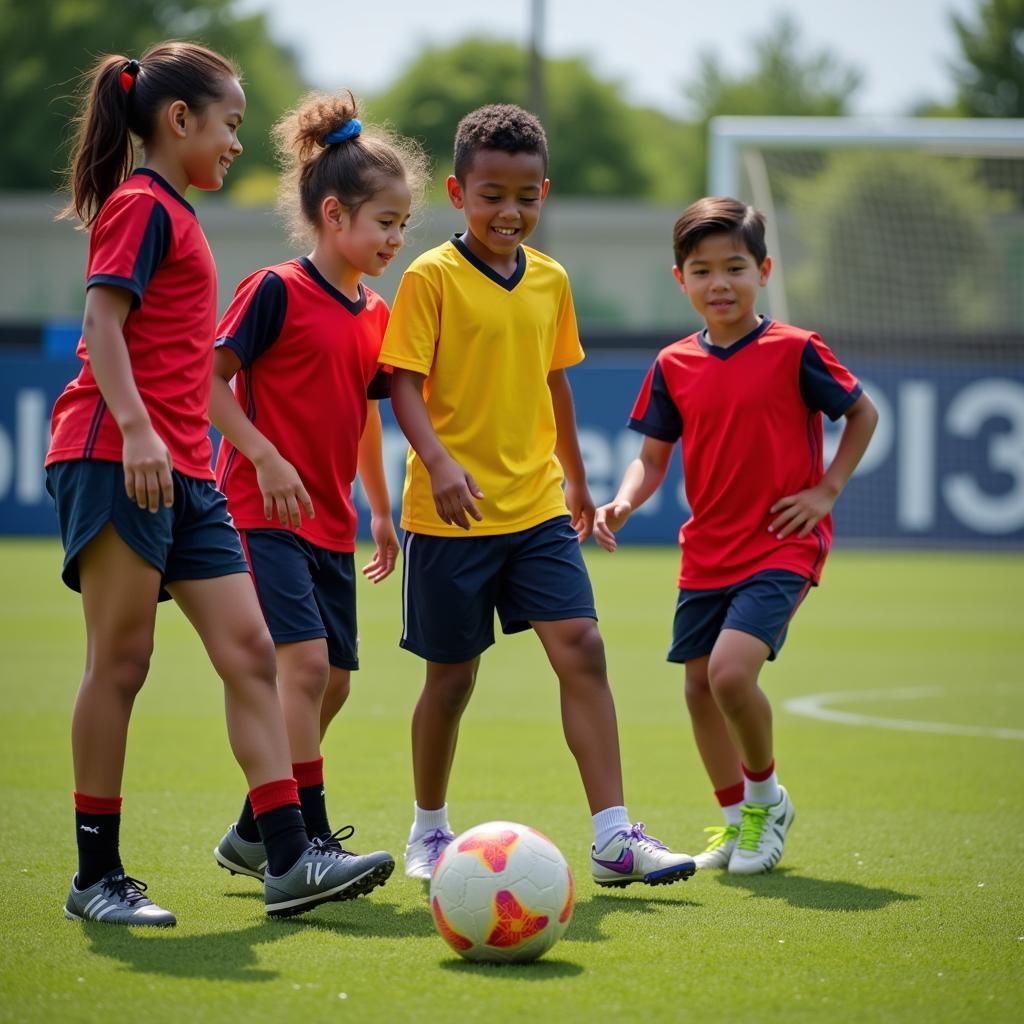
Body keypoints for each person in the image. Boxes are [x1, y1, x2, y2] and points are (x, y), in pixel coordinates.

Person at [46, 43, 391, 926]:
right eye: (231, 123)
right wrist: (133, 431)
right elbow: (101, 320)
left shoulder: (178, 212)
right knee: (121, 664)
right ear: (179, 121)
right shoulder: (139, 203)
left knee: (251, 655)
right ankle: (97, 878)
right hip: (115, 455)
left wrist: (176, 445)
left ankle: (287, 859)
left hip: (189, 474)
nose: (237, 142)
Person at [379, 103, 696, 888]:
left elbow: (554, 382)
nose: (509, 211)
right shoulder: (430, 277)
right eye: (491, 195)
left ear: (543, 192)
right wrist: (438, 462)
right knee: (451, 679)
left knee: (582, 650)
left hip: (539, 508)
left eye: (525, 196)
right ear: (458, 193)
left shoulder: (551, 279)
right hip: (449, 514)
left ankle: (615, 839)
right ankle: (427, 830)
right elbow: (402, 384)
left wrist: (579, 482)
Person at [594, 196, 879, 873]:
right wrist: (626, 500)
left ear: (763, 271)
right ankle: (734, 821)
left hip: (782, 544)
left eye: (735, 267)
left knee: (728, 674)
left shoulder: (796, 349)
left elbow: (861, 414)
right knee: (697, 688)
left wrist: (826, 490)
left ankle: (766, 802)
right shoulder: (672, 364)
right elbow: (653, 457)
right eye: (702, 271)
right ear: (680, 280)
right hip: (707, 550)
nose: (719, 284)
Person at [208, 91, 427, 882]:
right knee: (299, 672)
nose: (397, 239)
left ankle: (253, 831)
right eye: (385, 222)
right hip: (261, 514)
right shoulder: (275, 290)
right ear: (334, 215)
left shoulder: (377, 314)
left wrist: (379, 510)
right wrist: (264, 456)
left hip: (332, 522)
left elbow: (367, 419)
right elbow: (209, 381)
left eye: (405, 224)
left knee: (330, 684)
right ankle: (306, 846)